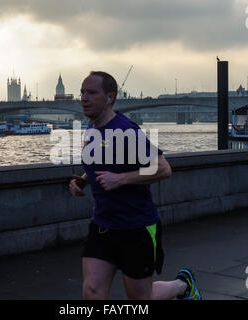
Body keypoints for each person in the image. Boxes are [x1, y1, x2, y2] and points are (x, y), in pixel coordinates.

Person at [69, 71, 202, 300]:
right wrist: (82, 180)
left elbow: (163, 168)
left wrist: (119, 179)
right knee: (91, 291)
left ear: (110, 97)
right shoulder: (91, 130)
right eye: (82, 92)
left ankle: (183, 286)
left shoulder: (126, 131)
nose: (84, 97)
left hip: (136, 228)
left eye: (91, 92)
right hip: (102, 225)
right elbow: (100, 164)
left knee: (140, 299)